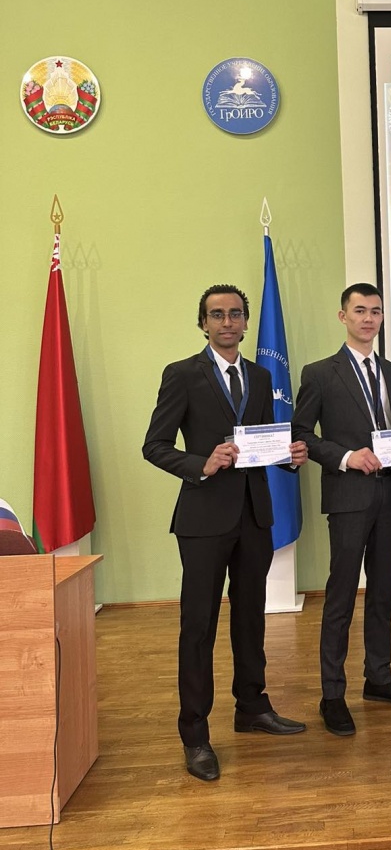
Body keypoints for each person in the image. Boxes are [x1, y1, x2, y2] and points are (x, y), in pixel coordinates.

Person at [143, 284, 309, 781]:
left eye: (235, 314)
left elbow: (263, 443)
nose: (227, 322)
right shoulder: (181, 374)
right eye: (217, 315)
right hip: (203, 519)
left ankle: (252, 707)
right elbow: (155, 445)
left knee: (251, 618)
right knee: (198, 627)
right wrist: (202, 463)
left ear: (246, 321)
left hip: (254, 516)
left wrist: (289, 456)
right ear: (203, 323)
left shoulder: (259, 376)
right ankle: (195, 735)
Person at [292, 284, 391, 736]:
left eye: (376, 311)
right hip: (348, 497)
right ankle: (332, 694)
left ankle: (379, 678)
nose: (368, 319)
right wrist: (348, 457)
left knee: (383, 591)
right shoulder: (320, 372)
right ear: (343, 316)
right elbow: (301, 434)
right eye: (360, 311)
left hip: (389, 494)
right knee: (341, 595)